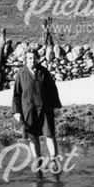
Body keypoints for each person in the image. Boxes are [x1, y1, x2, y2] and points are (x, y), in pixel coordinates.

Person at [11, 48, 63, 177]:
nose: (31, 61)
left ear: (38, 59)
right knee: (33, 136)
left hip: (45, 108)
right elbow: (16, 94)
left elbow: (52, 90)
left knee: (49, 135)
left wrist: (56, 107)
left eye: (34, 58)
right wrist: (16, 111)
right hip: (28, 110)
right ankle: (37, 161)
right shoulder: (21, 73)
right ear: (25, 59)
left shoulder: (44, 72)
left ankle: (54, 161)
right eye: (29, 58)